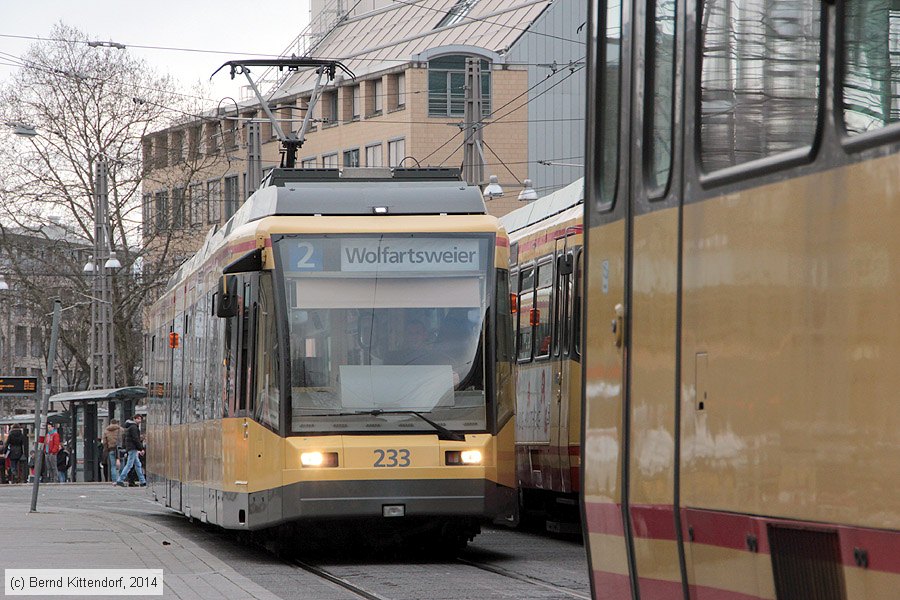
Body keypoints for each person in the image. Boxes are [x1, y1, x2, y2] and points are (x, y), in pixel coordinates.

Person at [115, 415, 146, 487]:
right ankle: (120, 480)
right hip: (133, 448)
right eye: (138, 419)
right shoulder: (134, 427)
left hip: (131, 448)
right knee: (129, 465)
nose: (140, 421)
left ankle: (142, 481)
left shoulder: (130, 427)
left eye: (140, 419)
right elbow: (136, 439)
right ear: (134, 419)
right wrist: (141, 448)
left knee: (138, 465)